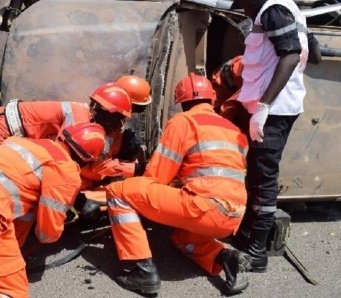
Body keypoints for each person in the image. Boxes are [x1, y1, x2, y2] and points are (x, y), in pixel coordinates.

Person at [104, 73, 251, 295]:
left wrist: (125, 177)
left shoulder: (184, 122)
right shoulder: (235, 131)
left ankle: (142, 272)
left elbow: (156, 178)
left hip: (203, 207)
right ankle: (225, 257)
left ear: (182, 102)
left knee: (119, 193)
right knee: (183, 238)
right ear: (211, 99)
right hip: (233, 216)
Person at [0, 122, 106, 298]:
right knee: (13, 294)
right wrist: (63, 221)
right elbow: (46, 234)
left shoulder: (31, 143)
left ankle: (1, 261)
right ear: (88, 159)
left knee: (27, 212)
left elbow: (26, 205)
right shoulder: (66, 171)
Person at [234, 0, 310, 273]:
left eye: (243, 3)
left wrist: (264, 107)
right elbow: (316, 54)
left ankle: (257, 252)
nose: (243, 10)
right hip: (279, 108)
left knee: (263, 178)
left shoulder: (274, 11)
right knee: (257, 173)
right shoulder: (292, 10)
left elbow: (290, 54)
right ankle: (248, 235)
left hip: (273, 111)